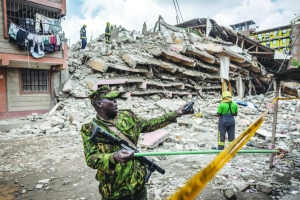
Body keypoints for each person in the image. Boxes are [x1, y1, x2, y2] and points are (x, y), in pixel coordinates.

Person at [80, 86, 193, 200]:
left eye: (115, 99)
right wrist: (113, 157)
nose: (115, 101)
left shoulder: (127, 116)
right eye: (111, 99)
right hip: (114, 190)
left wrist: (176, 113)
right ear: (100, 104)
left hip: (138, 184)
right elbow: (91, 159)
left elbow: (149, 124)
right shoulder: (89, 129)